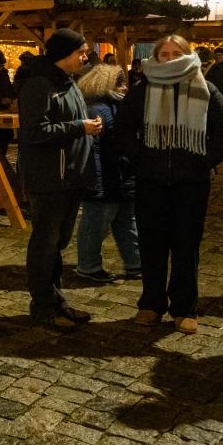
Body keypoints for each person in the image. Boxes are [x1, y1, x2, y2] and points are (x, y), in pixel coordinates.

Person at [114, 34, 223, 335]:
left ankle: (184, 307)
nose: (169, 59)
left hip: (190, 184)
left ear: (187, 55)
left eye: (175, 53)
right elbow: (122, 130)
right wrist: (139, 159)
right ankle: (151, 304)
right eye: (163, 54)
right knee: (152, 245)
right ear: (156, 57)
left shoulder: (205, 87)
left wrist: (203, 161)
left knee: (186, 247)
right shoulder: (143, 90)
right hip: (151, 182)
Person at [17, 28, 101, 331]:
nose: (86, 56)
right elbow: (34, 132)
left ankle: (56, 301)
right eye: (82, 51)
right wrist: (80, 127)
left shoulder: (69, 82)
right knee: (45, 244)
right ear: (64, 53)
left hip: (70, 177)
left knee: (58, 243)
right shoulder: (39, 85)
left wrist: (86, 126)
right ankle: (42, 306)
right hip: (50, 177)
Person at [74, 63, 139, 283]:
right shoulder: (98, 109)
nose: (124, 88)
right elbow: (94, 150)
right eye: (119, 84)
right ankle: (88, 266)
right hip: (107, 180)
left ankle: (135, 263)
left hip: (120, 178)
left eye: (124, 83)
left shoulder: (116, 106)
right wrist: (96, 185)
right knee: (96, 225)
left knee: (126, 222)